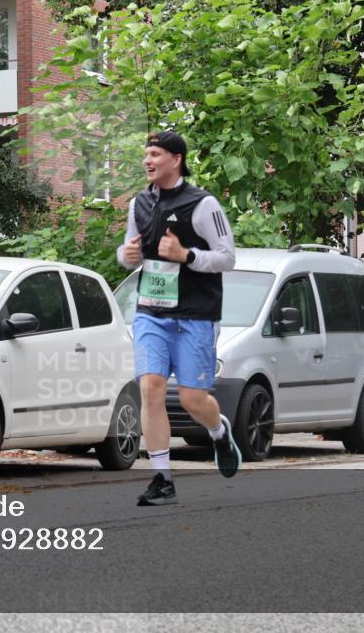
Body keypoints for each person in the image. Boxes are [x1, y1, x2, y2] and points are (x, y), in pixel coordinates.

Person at [117, 131, 240, 506]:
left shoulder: (203, 205)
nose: (147, 161)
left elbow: (227, 257)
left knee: (191, 399)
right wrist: (129, 256)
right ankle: (162, 478)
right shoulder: (139, 203)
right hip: (151, 312)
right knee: (150, 388)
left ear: (176, 158)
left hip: (194, 315)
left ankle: (219, 433)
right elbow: (125, 254)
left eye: (154, 154)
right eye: (146, 154)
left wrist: (186, 255)